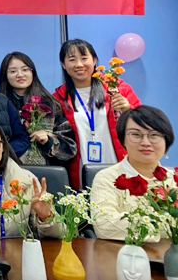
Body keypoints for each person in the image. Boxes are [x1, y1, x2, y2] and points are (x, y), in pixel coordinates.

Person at [53, 39, 141, 188]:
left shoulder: (118, 88)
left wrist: (128, 109)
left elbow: (144, 122)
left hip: (119, 165)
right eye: (72, 60)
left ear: (94, 60)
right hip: (81, 171)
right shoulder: (58, 98)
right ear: (63, 65)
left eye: (84, 58)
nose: (79, 64)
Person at [91, 106, 175, 241]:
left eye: (154, 135)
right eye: (136, 135)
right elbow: (104, 225)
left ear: (167, 140)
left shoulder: (174, 179)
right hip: (122, 252)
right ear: (123, 139)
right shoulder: (107, 178)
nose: (145, 143)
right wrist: (165, 226)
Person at [0, 52, 77, 165]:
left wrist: (48, 141)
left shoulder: (49, 104)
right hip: (8, 167)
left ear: (33, 72)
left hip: (43, 170)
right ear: (5, 75)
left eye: (25, 69)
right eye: (13, 71)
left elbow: (70, 148)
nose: (20, 75)